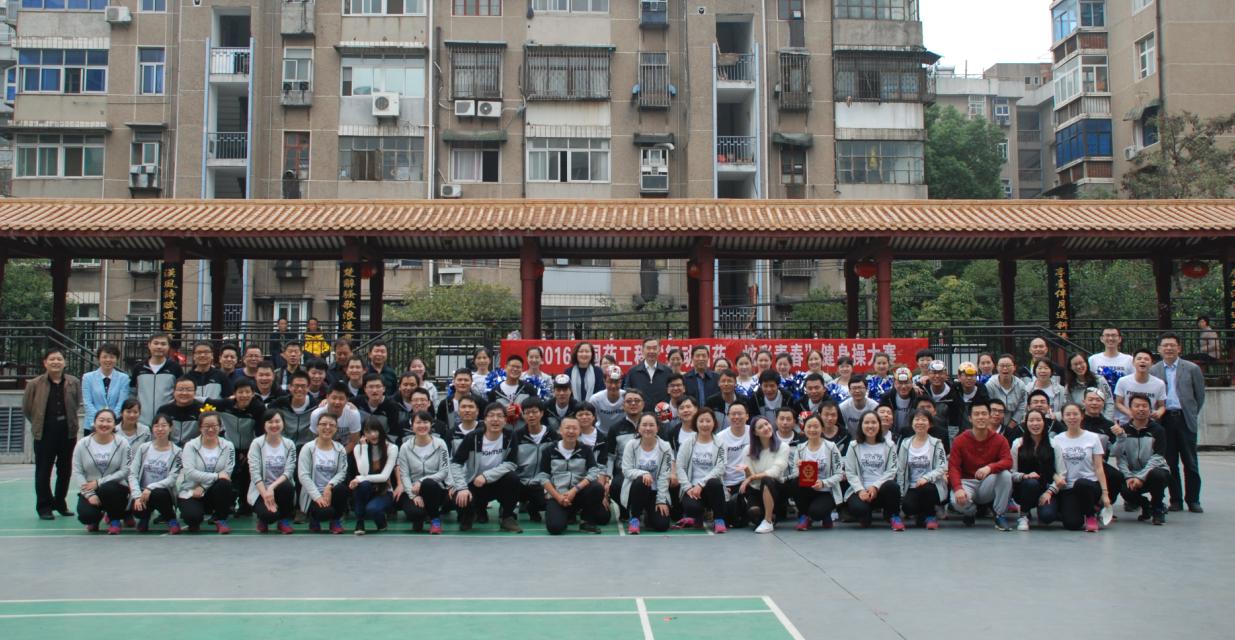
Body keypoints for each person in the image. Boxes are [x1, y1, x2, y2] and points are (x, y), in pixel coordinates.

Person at [1149, 333, 1206, 513]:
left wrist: (1191, 413)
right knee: (1170, 462)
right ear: (1159, 349)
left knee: (1190, 461)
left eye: (1172, 345)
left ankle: (1193, 500)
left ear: (1179, 348)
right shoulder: (1154, 370)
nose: (1169, 348)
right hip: (1164, 420)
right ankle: (1176, 500)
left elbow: (1200, 396)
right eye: (1165, 345)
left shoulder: (1192, 368)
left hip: (1184, 418)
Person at [24, 348, 82, 521]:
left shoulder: (73, 382)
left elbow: (76, 403)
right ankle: (44, 506)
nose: (56, 362)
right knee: (43, 470)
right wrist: (39, 422)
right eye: (52, 359)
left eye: (59, 359)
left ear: (64, 363)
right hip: (45, 432)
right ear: (45, 363)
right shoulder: (35, 384)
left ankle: (60, 502)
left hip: (67, 431)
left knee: (65, 470)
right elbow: (27, 409)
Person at [450, 402, 523, 533]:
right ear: (484, 419)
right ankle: (470, 514)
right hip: (474, 483)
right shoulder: (472, 437)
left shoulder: (510, 436)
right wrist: (461, 487)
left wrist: (486, 476)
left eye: (500, 416)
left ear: (505, 420)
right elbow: (456, 464)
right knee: (460, 496)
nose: (495, 419)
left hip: (497, 482)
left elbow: (511, 463)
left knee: (513, 478)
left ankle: (507, 517)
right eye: (491, 415)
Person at [948, 399, 1014, 531]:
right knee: (956, 501)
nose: (980, 417)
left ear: (989, 417)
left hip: (987, 482)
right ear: (970, 418)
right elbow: (953, 467)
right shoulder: (960, 440)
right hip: (967, 482)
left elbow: (1008, 461)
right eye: (976, 414)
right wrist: (958, 488)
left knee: (1006, 475)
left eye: (984, 414)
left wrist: (990, 467)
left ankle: (999, 515)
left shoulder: (1000, 439)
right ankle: (971, 512)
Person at [538, 416, 609, 535]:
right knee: (555, 528)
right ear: (560, 430)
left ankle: (586, 522)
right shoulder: (549, 450)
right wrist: (558, 497)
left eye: (575, 428)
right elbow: (543, 477)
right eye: (567, 428)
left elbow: (593, 472)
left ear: (579, 431)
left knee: (597, 489)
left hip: (579, 493)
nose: (571, 431)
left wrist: (574, 490)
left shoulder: (586, 450)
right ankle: (568, 515)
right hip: (558, 495)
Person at [1050, 403, 1112, 533]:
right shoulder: (1057, 439)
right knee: (1072, 524)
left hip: (1089, 485)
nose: (1072, 417)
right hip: (1068, 487)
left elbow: (1099, 467)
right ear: (1063, 418)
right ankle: (1076, 510)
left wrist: (1105, 493)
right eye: (1068, 414)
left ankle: (1090, 515)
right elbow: (1053, 465)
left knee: (1082, 483)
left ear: (1082, 416)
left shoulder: (1093, 437)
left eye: (1075, 414)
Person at [69, 409, 131, 534]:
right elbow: (78, 471)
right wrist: (89, 494)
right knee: (86, 516)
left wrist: (99, 482)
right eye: (101, 420)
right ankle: (95, 518)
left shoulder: (122, 443)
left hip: (115, 488)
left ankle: (115, 519)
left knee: (108, 488)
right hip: (90, 488)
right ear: (94, 423)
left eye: (109, 421)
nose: (104, 424)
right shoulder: (82, 444)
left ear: (114, 424)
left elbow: (126, 470)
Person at [1111, 394, 1171, 525]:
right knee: (1124, 489)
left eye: (1144, 406)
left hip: (1153, 472)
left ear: (1150, 409)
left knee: (1158, 475)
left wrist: (1141, 477)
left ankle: (1157, 508)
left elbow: (1158, 457)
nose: (1141, 409)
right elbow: (1120, 457)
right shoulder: (1123, 430)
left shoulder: (1158, 430)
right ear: (1130, 409)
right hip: (1132, 474)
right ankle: (1146, 505)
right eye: (1137, 406)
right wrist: (1128, 477)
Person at [177, 412, 236, 534]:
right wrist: (216, 476)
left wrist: (203, 486)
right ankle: (196, 516)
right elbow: (190, 472)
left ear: (220, 426)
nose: (210, 429)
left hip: (213, 491)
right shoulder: (190, 446)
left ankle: (220, 519)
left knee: (224, 484)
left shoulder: (228, 446)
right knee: (192, 518)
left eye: (214, 426)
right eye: (206, 426)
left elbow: (227, 473)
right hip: (192, 491)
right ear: (200, 428)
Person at [844, 411, 903, 531]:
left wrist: (875, 486)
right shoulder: (854, 446)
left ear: (879, 425)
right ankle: (866, 515)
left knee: (893, 487)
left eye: (874, 422)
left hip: (881, 490)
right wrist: (860, 490)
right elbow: (850, 472)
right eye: (866, 423)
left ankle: (893, 516)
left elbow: (892, 470)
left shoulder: (889, 445)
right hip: (861, 491)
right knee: (859, 510)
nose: (870, 426)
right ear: (861, 426)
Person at [396, 410, 452, 534]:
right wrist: (413, 496)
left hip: (435, 488)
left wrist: (421, 481)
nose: (422, 425)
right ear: (412, 426)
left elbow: (444, 471)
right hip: (413, 489)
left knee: (428, 483)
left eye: (425, 422)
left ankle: (435, 520)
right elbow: (404, 474)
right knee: (414, 513)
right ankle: (420, 517)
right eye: (418, 422)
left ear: (431, 425)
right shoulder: (405, 447)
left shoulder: (440, 444)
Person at [674, 407, 728, 532]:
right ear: (696, 423)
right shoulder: (687, 443)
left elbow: (720, 468)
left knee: (714, 483)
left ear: (714, 423)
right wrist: (687, 487)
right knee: (692, 508)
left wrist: (701, 484)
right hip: (692, 488)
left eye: (708, 421)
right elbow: (680, 467)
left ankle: (719, 520)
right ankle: (698, 516)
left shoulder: (720, 443)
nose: (705, 424)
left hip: (711, 487)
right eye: (701, 421)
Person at [787, 414, 844, 531]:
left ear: (822, 428)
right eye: (809, 426)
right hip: (808, 490)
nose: (812, 430)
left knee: (816, 513)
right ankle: (804, 516)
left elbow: (839, 474)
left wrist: (823, 483)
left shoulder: (831, 447)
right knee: (794, 482)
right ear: (804, 429)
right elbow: (794, 474)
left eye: (816, 426)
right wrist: (798, 468)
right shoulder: (800, 448)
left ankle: (824, 514)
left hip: (826, 491)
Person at [621, 413, 674, 534]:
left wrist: (661, 500)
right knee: (642, 481)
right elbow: (626, 470)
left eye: (651, 425)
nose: (648, 428)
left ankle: (648, 515)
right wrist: (643, 473)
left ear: (657, 428)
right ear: (638, 428)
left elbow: (664, 475)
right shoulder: (631, 445)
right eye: (644, 425)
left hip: (656, 491)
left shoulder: (665, 447)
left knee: (662, 525)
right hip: (637, 489)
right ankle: (635, 517)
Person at [128, 413, 181, 533]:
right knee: (137, 510)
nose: (160, 429)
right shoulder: (144, 448)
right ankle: (145, 517)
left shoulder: (177, 452)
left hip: (163, 492)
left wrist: (150, 487)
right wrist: (137, 496)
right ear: (152, 428)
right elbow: (133, 474)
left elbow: (172, 479)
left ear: (170, 428)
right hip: (142, 492)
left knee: (158, 494)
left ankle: (171, 518)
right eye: (156, 426)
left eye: (164, 425)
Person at [297, 412, 349, 534]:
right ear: (317, 427)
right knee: (325, 512)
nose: (327, 427)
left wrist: (329, 486)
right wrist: (317, 497)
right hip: (312, 495)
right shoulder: (308, 448)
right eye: (324, 424)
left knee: (342, 489)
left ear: (336, 429)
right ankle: (314, 519)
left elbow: (342, 472)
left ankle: (335, 521)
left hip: (330, 492)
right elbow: (303, 476)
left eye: (331, 425)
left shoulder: (340, 449)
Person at [247, 409, 297, 534]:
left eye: (277, 421)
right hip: (260, 490)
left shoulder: (289, 444)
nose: (274, 425)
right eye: (270, 422)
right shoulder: (257, 443)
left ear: (283, 423)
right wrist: (265, 494)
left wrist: (272, 488)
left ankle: (283, 520)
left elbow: (289, 471)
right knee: (269, 516)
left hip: (280, 489)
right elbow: (254, 472)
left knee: (287, 486)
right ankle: (263, 519)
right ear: (264, 424)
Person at [896, 410, 948, 529]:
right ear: (912, 423)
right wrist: (901, 492)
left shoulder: (936, 443)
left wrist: (926, 478)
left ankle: (930, 515)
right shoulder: (905, 444)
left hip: (931, 485)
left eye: (924, 420)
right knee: (908, 507)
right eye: (917, 419)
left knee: (926, 489)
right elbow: (901, 469)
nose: (920, 422)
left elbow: (942, 467)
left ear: (930, 424)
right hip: (912, 486)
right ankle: (921, 514)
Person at [512, 397, 561, 523]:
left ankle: (532, 507)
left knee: (545, 502)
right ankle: (508, 510)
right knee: (508, 481)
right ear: (523, 415)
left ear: (542, 413)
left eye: (534, 412)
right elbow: (510, 461)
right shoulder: (516, 436)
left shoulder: (553, 436)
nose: (531, 416)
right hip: (521, 481)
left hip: (542, 483)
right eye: (527, 413)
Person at [1009, 409, 1058, 531]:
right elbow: (1011, 472)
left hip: (1045, 489)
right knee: (1031, 483)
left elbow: (1062, 473)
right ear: (1026, 424)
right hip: (1024, 488)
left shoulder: (1054, 445)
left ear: (1044, 423)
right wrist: (1025, 476)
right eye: (1031, 420)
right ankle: (1023, 515)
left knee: (1048, 517)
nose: (1035, 424)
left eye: (1038, 420)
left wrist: (1049, 492)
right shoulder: (1017, 444)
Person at [741, 416, 790, 533]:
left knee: (767, 479)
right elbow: (751, 479)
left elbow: (776, 471)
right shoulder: (748, 449)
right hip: (756, 489)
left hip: (775, 489)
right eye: (760, 427)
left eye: (767, 424)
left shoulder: (783, 447)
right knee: (754, 513)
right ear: (755, 432)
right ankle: (770, 516)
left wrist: (753, 477)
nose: (766, 428)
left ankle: (768, 521)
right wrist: (748, 473)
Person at [350, 418, 398, 534]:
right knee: (364, 485)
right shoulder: (358, 448)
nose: (372, 434)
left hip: (384, 490)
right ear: (363, 433)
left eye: (375, 430)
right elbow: (363, 472)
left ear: (381, 431)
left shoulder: (392, 448)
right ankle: (360, 523)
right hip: (366, 490)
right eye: (368, 431)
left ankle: (381, 521)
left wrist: (359, 478)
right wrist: (364, 447)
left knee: (372, 509)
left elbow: (384, 477)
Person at [131, 333, 183, 427]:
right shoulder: (139, 368)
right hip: (142, 421)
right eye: (156, 343)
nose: (159, 347)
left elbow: (179, 393)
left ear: (168, 347)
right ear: (149, 345)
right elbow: (132, 392)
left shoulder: (175, 368)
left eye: (163, 344)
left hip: (167, 421)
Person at [717, 402, 753, 526]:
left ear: (747, 416)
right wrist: (723, 486)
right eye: (733, 414)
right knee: (732, 520)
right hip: (729, 484)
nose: (736, 417)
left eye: (740, 414)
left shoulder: (754, 432)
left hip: (750, 481)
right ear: (728, 416)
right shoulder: (720, 437)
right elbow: (717, 465)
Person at [82, 343, 130, 434]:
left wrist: (111, 421)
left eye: (112, 357)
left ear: (117, 359)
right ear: (99, 359)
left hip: (115, 425)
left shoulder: (124, 378)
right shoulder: (87, 378)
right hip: (92, 424)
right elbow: (87, 402)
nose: (108, 360)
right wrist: (98, 421)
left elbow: (121, 403)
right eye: (104, 357)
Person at [1113, 349, 1167, 425]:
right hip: (1126, 423)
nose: (1142, 361)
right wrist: (1130, 413)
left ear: (1152, 363)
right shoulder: (1123, 381)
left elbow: (1162, 406)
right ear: (1133, 362)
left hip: (1149, 424)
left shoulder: (1159, 383)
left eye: (1146, 359)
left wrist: (1159, 412)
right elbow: (1118, 403)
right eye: (1139, 359)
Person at [352, 373, 403, 443]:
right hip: (361, 442)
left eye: (378, 387)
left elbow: (394, 432)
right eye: (371, 387)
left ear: (384, 389)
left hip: (384, 443)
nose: (374, 390)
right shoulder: (357, 401)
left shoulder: (392, 406)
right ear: (365, 389)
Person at [270, 377, 318, 447]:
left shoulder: (315, 407)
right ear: (290, 387)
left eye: (303, 386)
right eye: (296, 386)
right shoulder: (280, 405)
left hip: (307, 447)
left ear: (308, 388)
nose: (299, 389)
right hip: (283, 445)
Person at [156, 377, 205, 446]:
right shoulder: (164, 410)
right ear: (174, 392)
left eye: (189, 390)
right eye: (180, 390)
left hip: (195, 447)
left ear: (195, 392)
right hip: (169, 447)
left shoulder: (203, 410)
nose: (184, 393)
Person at [1065, 353, 1114, 420]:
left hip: (1101, 420)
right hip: (1080, 422)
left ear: (1086, 363)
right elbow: (1070, 407)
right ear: (1071, 367)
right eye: (1075, 364)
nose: (1079, 366)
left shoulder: (1099, 380)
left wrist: (1107, 421)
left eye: (1081, 363)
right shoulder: (1070, 386)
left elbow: (1109, 402)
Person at [624, 338, 673, 406]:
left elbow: (671, 393)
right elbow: (627, 393)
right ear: (642, 351)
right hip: (640, 412)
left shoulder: (667, 371)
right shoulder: (633, 372)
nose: (651, 351)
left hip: (662, 412)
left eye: (654, 348)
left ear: (659, 350)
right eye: (648, 348)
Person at [985, 354, 1026, 433]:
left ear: (1014, 367)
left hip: (1015, 425)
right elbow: (987, 406)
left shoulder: (1021, 385)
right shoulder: (990, 385)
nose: (1005, 368)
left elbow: (1022, 407)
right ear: (997, 367)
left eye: (1008, 365)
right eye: (1002, 366)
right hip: (993, 425)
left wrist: (1011, 424)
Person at [1089, 327, 1134, 392]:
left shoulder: (1129, 360)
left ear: (1120, 339)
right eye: (1107, 335)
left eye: (1114, 335)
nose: (1110, 338)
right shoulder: (1093, 360)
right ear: (1101, 339)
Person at [878, 367, 921, 437]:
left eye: (906, 382)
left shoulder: (918, 397)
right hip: (890, 435)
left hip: (913, 435)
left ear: (912, 383)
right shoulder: (886, 397)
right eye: (900, 383)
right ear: (894, 383)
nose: (903, 386)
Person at [589, 365, 627, 434]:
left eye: (616, 382)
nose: (613, 386)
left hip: (621, 434)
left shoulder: (626, 397)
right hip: (601, 433)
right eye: (610, 382)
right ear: (604, 381)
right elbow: (591, 420)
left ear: (621, 382)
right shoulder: (595, 399)